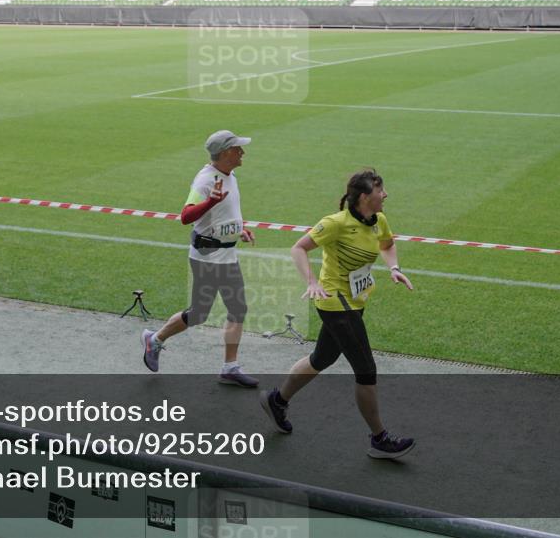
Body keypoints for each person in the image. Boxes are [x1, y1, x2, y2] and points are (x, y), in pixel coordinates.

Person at [260, 169, 416, 458]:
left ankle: (276, 400)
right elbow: (299, 249)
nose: (385, 194)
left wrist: (394, 268)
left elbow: (388, 244)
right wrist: (311, 281)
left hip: (355, 301)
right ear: (364, 196)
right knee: (366, 370)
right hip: (333, 302)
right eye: (380, 190)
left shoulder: (378, 220)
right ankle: (379, 439)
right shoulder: (335, 223)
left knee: (322, 358)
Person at [141, 130, 258, 387]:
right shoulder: (205, 180)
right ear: (225, 153)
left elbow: (227, 212)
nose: (242, 152)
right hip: (207, 257)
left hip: (226, 255)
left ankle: (230, 367)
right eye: (237, 148)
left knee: (238, 308)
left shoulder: (230, 176)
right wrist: (210, 202)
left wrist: (240, 229)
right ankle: (155, 339)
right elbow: (186, 216)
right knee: (199, 314)